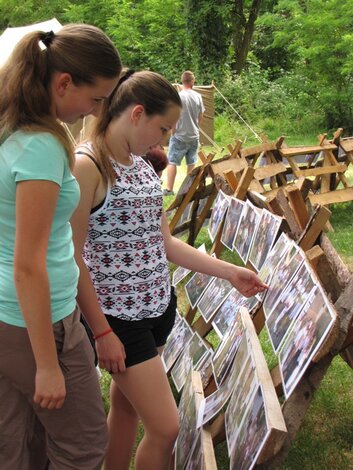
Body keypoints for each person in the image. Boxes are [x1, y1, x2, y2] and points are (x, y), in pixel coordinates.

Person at [71, 69, 267, 470]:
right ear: (137, 114)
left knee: (125, 410)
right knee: (166, 428)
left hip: (158, 308)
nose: (163, 141)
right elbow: (70, 258)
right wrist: (102, 331)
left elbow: (165, 242)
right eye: (163, 129)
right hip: (117, 319)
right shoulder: (88, 165)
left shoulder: (141, 166)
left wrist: (228, 272)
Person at [0, 24, 122, 470]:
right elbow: (30, 264)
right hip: (39, 320)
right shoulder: (40, 148)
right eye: (95, 98)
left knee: (16, 443)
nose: (97, 109)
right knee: (84, 446)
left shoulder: (11, 130)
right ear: (64, 83)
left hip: (9, 317)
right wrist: (48, 364)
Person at [163, 70, 205, 196]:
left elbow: (174, 116)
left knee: (172, 162)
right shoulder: (198, 96)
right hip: (194, 135)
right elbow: (201, 116)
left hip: (180, 136)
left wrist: (173, 131)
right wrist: (195, 126)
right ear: (192, 81)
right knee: (191, 163)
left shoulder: (178, 97)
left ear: (182, 81)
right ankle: (188, 190)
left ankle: (169, 189)